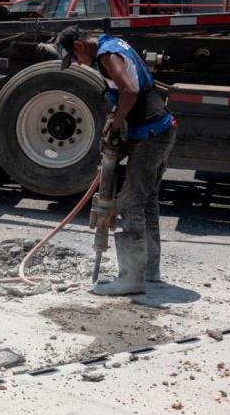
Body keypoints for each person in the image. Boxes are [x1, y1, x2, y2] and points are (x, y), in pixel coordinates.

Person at [55, 26, 177, 296]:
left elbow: (130, 90)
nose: (79, 64)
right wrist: (115, 116)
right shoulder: (113, 44)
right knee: (147, 202)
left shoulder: (105, 55)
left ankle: (131, 279)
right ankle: (149, 271)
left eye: (75, 59)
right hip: (160, 129)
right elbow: (127, 90)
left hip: (150, 134)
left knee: (131, 203)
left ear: (78, 46)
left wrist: (116, 124)